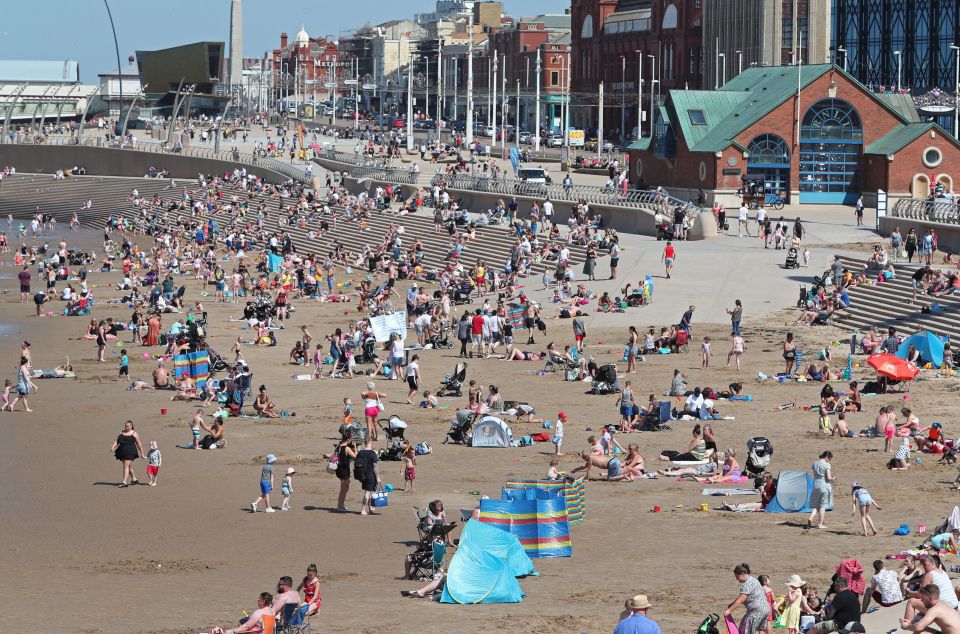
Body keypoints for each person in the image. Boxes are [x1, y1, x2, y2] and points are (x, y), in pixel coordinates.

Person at [726, 563, 770, 634]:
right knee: (745, 627)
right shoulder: (752, 579)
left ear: (742, 574)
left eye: (737, 576)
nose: (736, 578)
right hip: (764, 609)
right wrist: (732, 604)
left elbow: (740, 600)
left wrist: (728, 611)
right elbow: (742, 596)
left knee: (745, 630)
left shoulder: (747, 583)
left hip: (758, 611)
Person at [111, 420, 145, 487]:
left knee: (125, 466)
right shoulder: (122, 432)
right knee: (128, 466)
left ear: (131, 426)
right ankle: (134, 479)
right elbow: (117, 441)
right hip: (122, 451)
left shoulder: (134, 433)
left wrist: (142, 454)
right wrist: (113, 446)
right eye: (125, 426)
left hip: (130, 451)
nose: (126, 427)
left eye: (128, 426)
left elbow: (139, 444)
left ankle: (124, 482)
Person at [354, 438, 382, 516]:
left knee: (369, 491)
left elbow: (356, 462)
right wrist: (378, 477)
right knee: (367, 492)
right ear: (370, 443)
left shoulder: (360, 452)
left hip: (362, 475)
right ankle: (363, 509)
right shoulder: (372, 453)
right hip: (370, 475)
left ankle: (370, 508)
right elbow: (375, 466)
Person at [330, 431, 356, 512]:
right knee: (343, 489)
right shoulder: (347, 448)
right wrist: (355, 447)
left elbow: (335, 456)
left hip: (339, 470)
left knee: (345, 486)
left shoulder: (338, 446)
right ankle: (340, 506)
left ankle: (341, 504)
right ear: (348, 439)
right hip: (344, 471)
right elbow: (355, 457)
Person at [807, 451, 834, 529]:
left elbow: (815, 472)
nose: (829, 460)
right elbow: (828, 478)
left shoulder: (815, 463)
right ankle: (820, 524)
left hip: (816, 485)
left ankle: (811, 517)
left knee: (816, 505)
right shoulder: (827, 464)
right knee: (823, 505)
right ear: (827, 456)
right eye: (829, 458)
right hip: (824, 486)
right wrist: (833, 478)